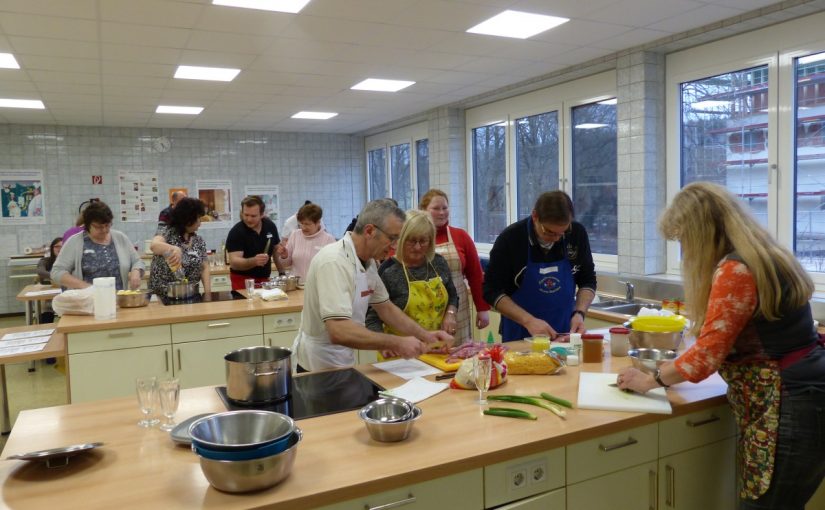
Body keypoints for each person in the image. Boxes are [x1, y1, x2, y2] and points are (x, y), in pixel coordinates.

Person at [616, 182, 825, 510]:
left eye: (684, 239)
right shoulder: (768, 255)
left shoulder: (736, 269)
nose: (684, 251)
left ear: (700, 233)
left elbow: (707, 357)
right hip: (807, 396)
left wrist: (651, 380)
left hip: (785, 405)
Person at [292, 199, 453, 372]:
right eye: (392, 238)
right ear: (369, 231)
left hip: (342, 360)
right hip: (316, 366)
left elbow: (386, 309)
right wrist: (397, 342)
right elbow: (338, 331)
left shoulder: (367, 263)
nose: (394, 246)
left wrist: (427, 337)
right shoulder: (334, 262)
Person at [483, 190, 596, 341]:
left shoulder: (576, 234)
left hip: (564, 335)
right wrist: (528, 320)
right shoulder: (511, 239)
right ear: (535, 216)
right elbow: (491, 291)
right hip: (520, 335)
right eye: (549, 232)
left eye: (562, 232)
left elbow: (587, 279)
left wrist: (579, 313)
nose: (556, 239)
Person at [365, 210, 459, 338]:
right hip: (399, 351)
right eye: (412, 241)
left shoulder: (438, 262)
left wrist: (451, 313)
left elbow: (452, 294)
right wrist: (384, 343)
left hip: (436, 347)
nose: (417, 247)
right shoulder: (388, 271)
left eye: (423, 241)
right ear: (401, 239)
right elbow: (372, 318)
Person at [420, 189, 490, 342]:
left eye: (445, 208)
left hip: (458, 307)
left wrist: (482, 308)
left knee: (459, 353)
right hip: (423, 308)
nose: (441, 213)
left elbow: (475, 274)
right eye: (436, 208)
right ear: (423, 211)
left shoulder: (460, 236)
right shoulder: (417, 238)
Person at [51, 201, 144, 290]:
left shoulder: (120, 238)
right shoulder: (75, 242)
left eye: (107, 225)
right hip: (86, 301)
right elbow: (57, 272)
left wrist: (136, 272)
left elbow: (137, 261)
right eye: (98, 227)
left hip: (118, 300)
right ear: (87, 225)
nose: (104, 230)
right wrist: (86, 287)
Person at [148, 198, 210, 296]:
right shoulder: (167, 232)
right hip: (163, 296)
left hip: (190, 295)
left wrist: (208, 293)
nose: (200, 223)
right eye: (198, 218)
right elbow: (154, 245)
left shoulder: (198, 240)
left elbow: (204, 267)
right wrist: (174, 248)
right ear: (188, 218)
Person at [225, 195, 284, 290]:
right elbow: (234, 262)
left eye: (253, 216)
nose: (248, 219)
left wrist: (282, 273)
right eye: (246, 215)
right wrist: (254, 261)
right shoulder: (236, 232)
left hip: (264, 279)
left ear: (262, 214)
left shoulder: (270, 226)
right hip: (242, 280)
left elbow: (276, 250)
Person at [277, 203, 335, 279]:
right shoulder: (295, 235)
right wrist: (284, 256)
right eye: (301, 223)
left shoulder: (328, 239)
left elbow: (332, 267)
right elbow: (285, 264)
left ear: (318, 222)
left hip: (318, 286)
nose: (303, 227)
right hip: (297, 285)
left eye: (307, 224)